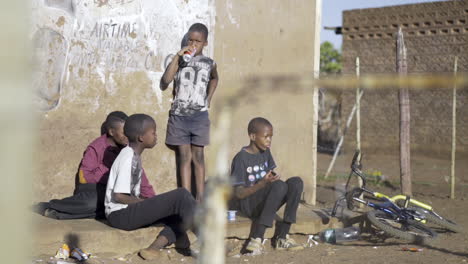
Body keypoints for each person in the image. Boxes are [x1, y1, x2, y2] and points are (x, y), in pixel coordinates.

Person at [105, 114, 197, 260]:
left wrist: (151, 204)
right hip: (119, 215)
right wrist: (145, 203)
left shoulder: (134, 155)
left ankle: (153, 248)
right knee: (182, 196)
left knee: (181, 211)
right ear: (141, 137)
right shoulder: (127, 157)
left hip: (126, 212)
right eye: (153, 132)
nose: (156, 136)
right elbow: (119, 196)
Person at [34, 111, 155, 219]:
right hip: (92, 188)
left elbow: (139, 175)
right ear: (111, 132)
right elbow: (84, 176)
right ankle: (49, 206)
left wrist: (152, 200)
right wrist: (111, 176)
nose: (127, 136)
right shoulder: (97, 147)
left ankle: (57, 214)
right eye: (123, 133)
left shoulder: (128, 150)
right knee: (93, 203)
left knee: (111, 208)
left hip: (113, 191)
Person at [160, 23, 219, 202]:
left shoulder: (209, 63)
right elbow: (166, 80)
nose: (193, 44)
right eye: (190, 40)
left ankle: (200, 198)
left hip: (199, 116)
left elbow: (215, 78)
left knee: (198, 156)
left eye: (198, 41)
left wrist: (208, 98)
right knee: (184, 156)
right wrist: (179, 56)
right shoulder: (179, 59)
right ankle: (185, 197)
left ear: (205, 43)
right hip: (179, 115)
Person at [228, 117, 304, 252]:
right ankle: (257, 238)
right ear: (252, 136)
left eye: (271, 137)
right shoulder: (240, 158)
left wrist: (271, 178)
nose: (269, 140)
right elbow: (239, 194)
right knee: (279, 186)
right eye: (266, 137)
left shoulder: (265, 152)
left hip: (265, 200)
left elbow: (269, 174)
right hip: (249, 205)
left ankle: (283, 236)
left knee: (296, 183)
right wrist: (263, 183)